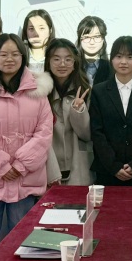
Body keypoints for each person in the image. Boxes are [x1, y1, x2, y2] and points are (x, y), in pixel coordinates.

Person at [0, 34, 54, 259]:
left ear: (23, 57)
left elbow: (44, 133)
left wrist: (21, 165)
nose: (9, 59)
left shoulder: (37, 92)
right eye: (3, 54)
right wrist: (1, 166)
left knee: (22, 237)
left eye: (15, 54)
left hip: (24, 176)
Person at [90, 36, 132, 186]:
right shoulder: (99, 91)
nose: (123, 62)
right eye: (118, 56)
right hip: (107, 171)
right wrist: (114, 166)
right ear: (111, 59)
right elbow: (97, 132)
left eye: (130, 57)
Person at [44, 38, 94, 186]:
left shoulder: (86, 90)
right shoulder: (40, 92)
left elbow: (87, 134)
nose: (62, 64)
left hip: (79, 164)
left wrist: (78, 110)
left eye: (68, 59)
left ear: (75, 63)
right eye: (56, 59)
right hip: (48, 163)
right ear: (48, 62)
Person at [76, 15, 110, 87]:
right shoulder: (71, 67)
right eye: (86, 37)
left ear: (103, 39)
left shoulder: (112, 69)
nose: (92, 42)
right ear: (79, 39)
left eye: (97, 37)